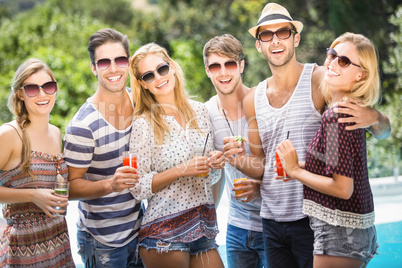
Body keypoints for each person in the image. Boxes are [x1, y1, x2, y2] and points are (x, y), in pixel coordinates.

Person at [223, 3, 391, 268]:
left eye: (283, 32)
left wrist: (375, 118)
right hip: (271, 220)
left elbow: (380, 130)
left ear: (296, 38)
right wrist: (237, 160)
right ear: (258, 45)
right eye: (266, 35)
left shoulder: (323, 79)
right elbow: (260, 163)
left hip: (314, 218)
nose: (275, 40)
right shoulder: (251, 99)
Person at [277, 32, 380, 267]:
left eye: (343, 61)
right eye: (332, 55)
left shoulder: (336, 116)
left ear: (360, 74)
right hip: (355, 232)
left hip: (340, 233)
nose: (332, 63)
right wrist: (299, 164)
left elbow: (343, 188)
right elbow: (340, 167)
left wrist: (295, 171)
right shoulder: (347, 109)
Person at [128, 42, 225, 268]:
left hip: (203, 226)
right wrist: (182, 169)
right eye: (149, 75)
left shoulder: (200, 111)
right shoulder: (143, 123)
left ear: (171, 66)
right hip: (164, 231)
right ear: (143, 84)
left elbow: (209, 178)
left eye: (162, 69)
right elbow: (137, 187)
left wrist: (216, 164)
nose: (159, 78)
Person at [63, 28, 143, 267]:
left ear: (128, 62)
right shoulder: (83, 125)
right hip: (102, 243)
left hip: (142, 231)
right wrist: (111, 185)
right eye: (104, 62)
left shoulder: (140, 103)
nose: (113, 68)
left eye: (119, 60)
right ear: (93, 67)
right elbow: (69, 188)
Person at [0, 58, 75, 267]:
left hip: (59, 242)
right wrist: (33, 195)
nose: (42, 94)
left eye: (48, 87)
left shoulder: (56, 132)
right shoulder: (9, 134)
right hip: (24, 250)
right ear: (20, 94)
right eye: (33, 89)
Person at [203, 34, 267, 268]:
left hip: (274, 225)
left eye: (229, 64)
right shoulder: (207, 111)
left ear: (241, 66)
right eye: (215, 66)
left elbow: (287, 162)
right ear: (207, 71)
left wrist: (260, 186)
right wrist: (213, 164)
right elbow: (212, 175)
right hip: (236, 228)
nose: (223, 72)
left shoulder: (263, 103)